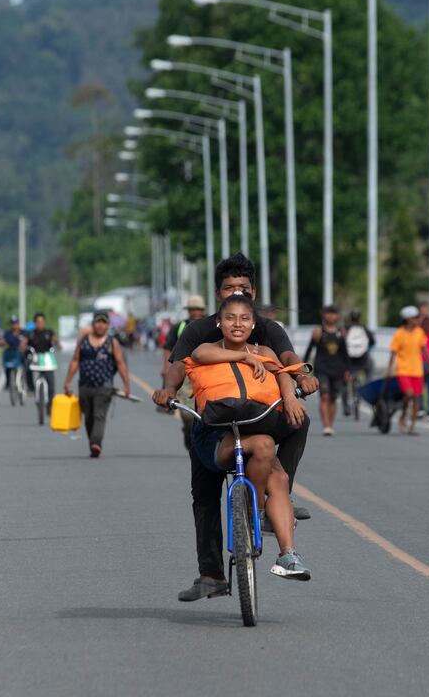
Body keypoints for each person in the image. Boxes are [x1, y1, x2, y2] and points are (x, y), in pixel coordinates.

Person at [152, 253, 318, 601]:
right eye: (229, 289)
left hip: (256, 420)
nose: (237, 297)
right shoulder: (200, 333)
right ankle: (211, 575)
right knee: (204, 496)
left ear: (253, 294)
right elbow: (181, 364)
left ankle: (275, 501)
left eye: (243, 288)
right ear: (218, 296)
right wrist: (168, 390)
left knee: (295, 425)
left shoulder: (267, 331)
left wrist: (299, 379)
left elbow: (285, 362)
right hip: (213, 424)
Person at [184, 293, 309, 579]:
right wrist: (244, 357)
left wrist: (290, 397)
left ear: (253, 324)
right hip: (219, 435)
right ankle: (256, 515)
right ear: (219, 322)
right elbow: (200, 356)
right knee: (262, 446)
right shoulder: (207, 348)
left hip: (255, 427)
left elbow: (282, 374)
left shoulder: (266, 352)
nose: (237, 324)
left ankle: (287, 554)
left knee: (277, 472)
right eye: (230, 318)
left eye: (244, 319)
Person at [62, 310, 131, 458]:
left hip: (104, 386)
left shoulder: (112, 342)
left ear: (108, 325)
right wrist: (67, 381)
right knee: (88, 417)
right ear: (93, 324)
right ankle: (93, 443)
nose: (100, 325)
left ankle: (96, 443)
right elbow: (75, 361)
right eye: (98, 322)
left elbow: (120, 364)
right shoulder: (83, 340)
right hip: (85, 386)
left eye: (103, 322)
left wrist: (126, 385)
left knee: (99, 415)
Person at [303, 305, 351, 437]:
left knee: (333, 398)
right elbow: (309, 350)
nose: (331, 316)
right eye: (328, 313)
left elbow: (346, 353)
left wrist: (348, 370)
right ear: (324, 315)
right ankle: (326, 426)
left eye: (333, 313)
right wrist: (303, 367)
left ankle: (330, 424)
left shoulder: (341, 333)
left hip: (338, 370)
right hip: (322, 369)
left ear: (337, 316)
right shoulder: (318, 332)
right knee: (324, 396)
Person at [161, 295, 207, 431]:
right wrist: (166, 367)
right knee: (187, 413)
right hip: (185, 371)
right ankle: (189, 433)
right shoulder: (180, 326)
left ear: (202, 310)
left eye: (198, 309)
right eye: (192, 309)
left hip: (206, 371)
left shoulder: (211, 324)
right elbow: (168, 347)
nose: (195, 312)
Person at [386, 305, 429, 436]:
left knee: (416, 398)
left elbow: (424, 348)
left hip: (417, 370)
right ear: (408, 319)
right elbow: (393, 352)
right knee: (408, 394)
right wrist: (389, 369)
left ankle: (412, 426)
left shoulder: (420, 332)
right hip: (403, 369)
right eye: (415, 318)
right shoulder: (399, 333)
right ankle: (404, 414)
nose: (417, 320)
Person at [344, 309, 375, 413]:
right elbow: (372, 341)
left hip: (349, 360)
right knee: (370, 369)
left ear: (350, 318)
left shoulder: (346, 328)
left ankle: (346, 403)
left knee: (344, 378)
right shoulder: (364, 328)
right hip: (363, 359)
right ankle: (368, 388)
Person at [23, 312, 59, 402]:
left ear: (44, 322)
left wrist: (57, 345)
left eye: (42, 322)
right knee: (27, 366)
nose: (40, 324)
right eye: (38, 322)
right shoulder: (31, 334)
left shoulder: (49, 333)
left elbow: (56, 342)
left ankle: (50, 401)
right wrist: (24, 348)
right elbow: (23, 344)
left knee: (50, 380)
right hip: (35, 357)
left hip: (46, 358)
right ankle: (31, 388)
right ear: (35, 323)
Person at [1, 316, 26, 406]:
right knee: (7, 368)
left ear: (18, 324)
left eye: (16, 323)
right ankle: (8, 383)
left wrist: (24, 345)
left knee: (25, 367)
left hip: (20, 355)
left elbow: (27, 340)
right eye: (12, 323)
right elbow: (2, 341)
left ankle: (26, 385)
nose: (14, 325)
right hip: (10, 355)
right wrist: (2, 343)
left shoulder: (23, 333)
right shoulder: (7, 334)